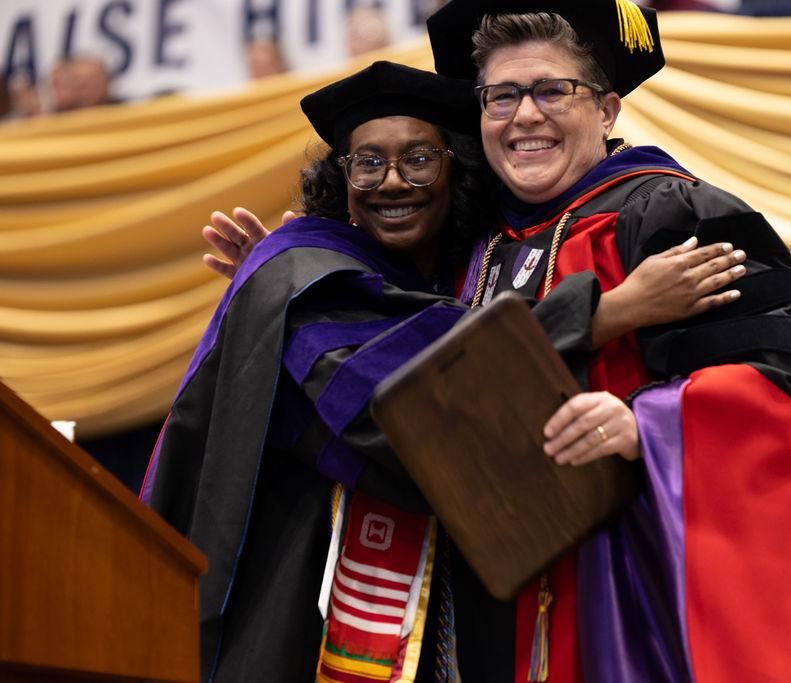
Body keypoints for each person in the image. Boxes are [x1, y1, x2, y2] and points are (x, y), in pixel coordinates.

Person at [146, 60, 746, 682]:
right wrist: (613, 309)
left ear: (455, 168)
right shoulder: (308, 273)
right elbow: (416, 399)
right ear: (342, 180)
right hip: (301, 614)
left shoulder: (459, 273)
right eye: (368, 162)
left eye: (419, 159)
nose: (394, 182)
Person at [423, 1, 791, 680]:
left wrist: (645, 423)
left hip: (627, 593)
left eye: (553, 90)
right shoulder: (471, 249)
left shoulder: (677, 213)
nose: (524, 115)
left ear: (609, 111)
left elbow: (787, 387)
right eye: (501, 95)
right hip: (483, 602)